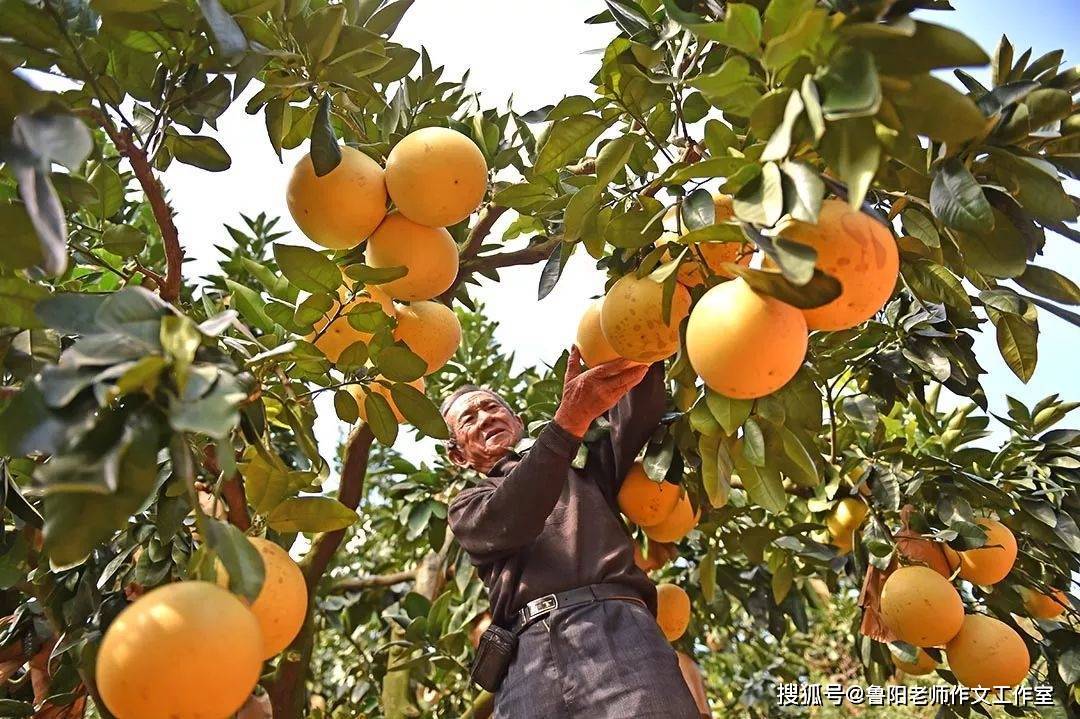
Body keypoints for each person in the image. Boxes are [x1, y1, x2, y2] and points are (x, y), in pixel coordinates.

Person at [443, 346, 701, 719]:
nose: (484, 418)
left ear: (517, 420)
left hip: (619, 630)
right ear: (458, 455)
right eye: (469, 418)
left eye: (491, 407)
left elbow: (636, 414)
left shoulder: (583, 464)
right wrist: (567, 424)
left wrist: (645, 343)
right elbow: (514, 517)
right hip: (527, 660)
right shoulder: (469, 505)